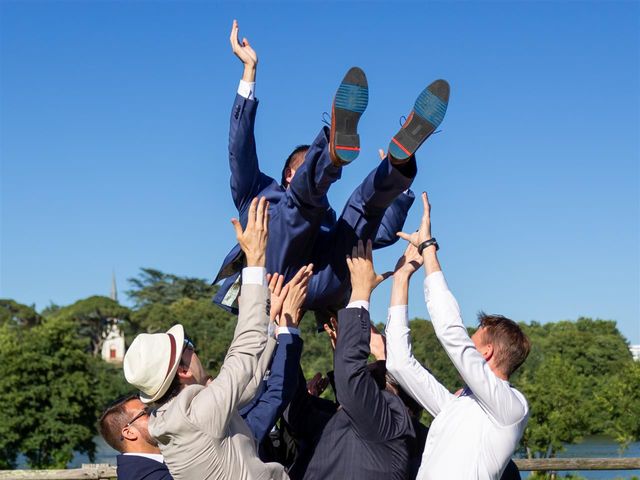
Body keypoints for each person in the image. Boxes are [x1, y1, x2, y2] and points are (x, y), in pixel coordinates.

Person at [213, 20, 450, 316]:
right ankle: (333, 155)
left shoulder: (327, 217)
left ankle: (397, 164)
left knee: (362, 209)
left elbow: (380, 232)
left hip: (322, 280)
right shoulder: (256, 192)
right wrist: (249, 73)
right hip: (274, 279)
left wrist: (397, 189)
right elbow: (240, 148)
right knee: (299, 206)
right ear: (288, 174)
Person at [124, 197, 303, 480]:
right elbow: (241, 357)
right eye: (189, 346)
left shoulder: (170, 420)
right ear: (182, 370)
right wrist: (255, 262)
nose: (196, 351)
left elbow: (247, 384)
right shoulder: (195, 416)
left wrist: (270, 321)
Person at [386, 192, 531, 479]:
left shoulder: (512, 408)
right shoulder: (456, 406)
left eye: (473, 340)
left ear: (486, 352)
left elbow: (450, 332)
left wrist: (428, 248)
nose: (467, 342)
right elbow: (399, 364)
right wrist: (400, 280)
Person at [290, 240, 418, 480]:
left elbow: (352, 375)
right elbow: (297, 415)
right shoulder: (364, 425)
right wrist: (289, 332)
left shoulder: (388, 424)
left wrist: (361, 291)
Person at [98, 394, 173, 480]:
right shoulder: (148, 476)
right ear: (129, 432)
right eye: (146, 412)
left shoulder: (142, 469)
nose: (158, 413)